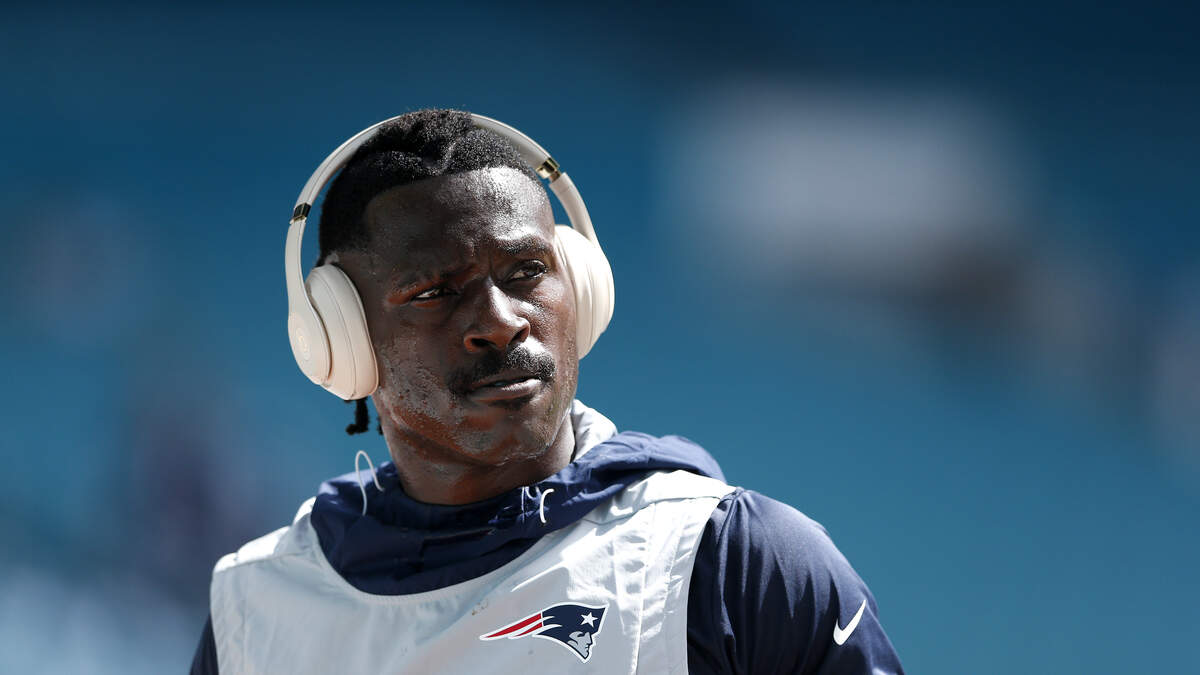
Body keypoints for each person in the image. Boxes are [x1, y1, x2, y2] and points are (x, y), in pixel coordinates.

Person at [190, 109, 904, 674]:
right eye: (435, 291)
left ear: (582, 289)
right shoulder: (256, 610)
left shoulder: (734, 565)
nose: (501, 322)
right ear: (342, 340)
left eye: (528, 271)